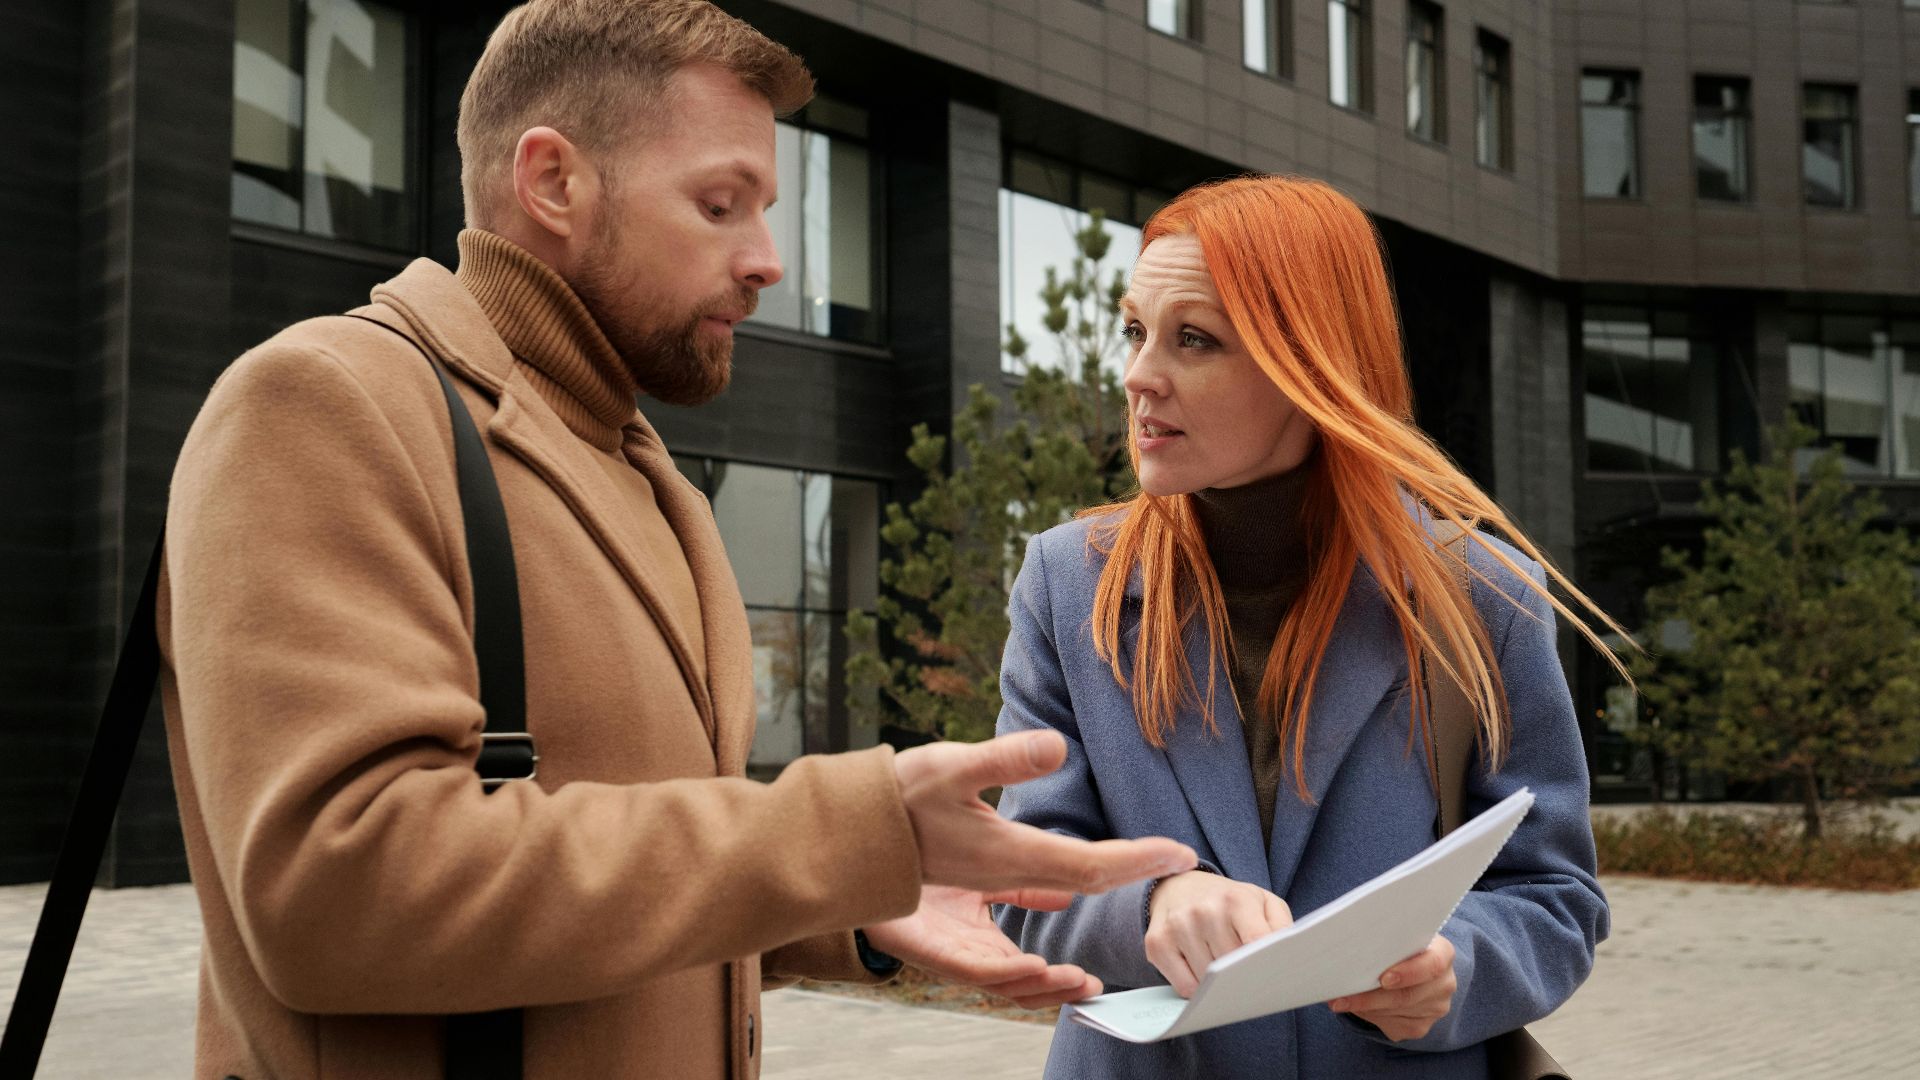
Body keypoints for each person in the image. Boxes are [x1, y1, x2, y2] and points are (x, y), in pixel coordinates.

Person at [155, 2, 1196, 1077]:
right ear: (554, 181)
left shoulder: (647, 475)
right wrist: (841, 834)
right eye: (719, 204)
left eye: (768, 210)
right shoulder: (326, 403)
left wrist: (853, 908)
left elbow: (616, 878)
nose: (768, 261)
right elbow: (342, 894)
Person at [993, 175, 1620, 1078]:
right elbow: (1026, 874)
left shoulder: (1480, 595)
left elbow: (1553, 894)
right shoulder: (1068, 582)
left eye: (1194, 339)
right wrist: (1155, 901)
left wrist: (1456, 968)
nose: (1138, 375)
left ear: (1312, 366)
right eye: (1135, 330)